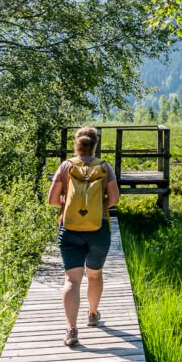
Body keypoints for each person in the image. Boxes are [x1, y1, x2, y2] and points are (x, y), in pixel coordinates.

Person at [47, 127, 119, 347]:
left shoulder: (65, 166)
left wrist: (67, 205)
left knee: (72, 280)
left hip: (69, 230)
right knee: (94, 275)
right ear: (95, 144)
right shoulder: (105, 167)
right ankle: (92, 314)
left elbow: (52, 200)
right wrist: (97, 207)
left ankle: (71, 330)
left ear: (76, 144)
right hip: (98, 230)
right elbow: (114, 199)